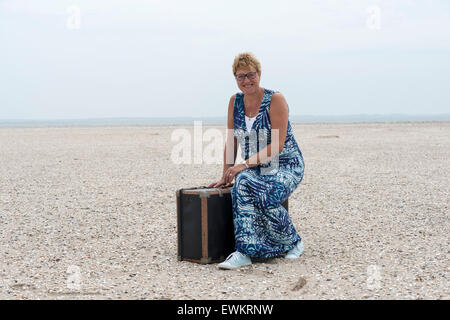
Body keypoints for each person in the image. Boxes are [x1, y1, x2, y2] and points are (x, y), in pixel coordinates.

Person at [208, 52, 306, 270]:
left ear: (259, 74)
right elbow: (232, 140)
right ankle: (245, 251)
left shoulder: (275, 99)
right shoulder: (235, 101)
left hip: (286, 165)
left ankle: (293, 241)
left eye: (250, 75)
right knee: (241, 183)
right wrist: (226, 175)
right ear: (235, 78)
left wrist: (243, 165)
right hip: (259, 167)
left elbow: (278, 145)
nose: (246, 81)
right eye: (240, 76)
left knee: (265, 195)